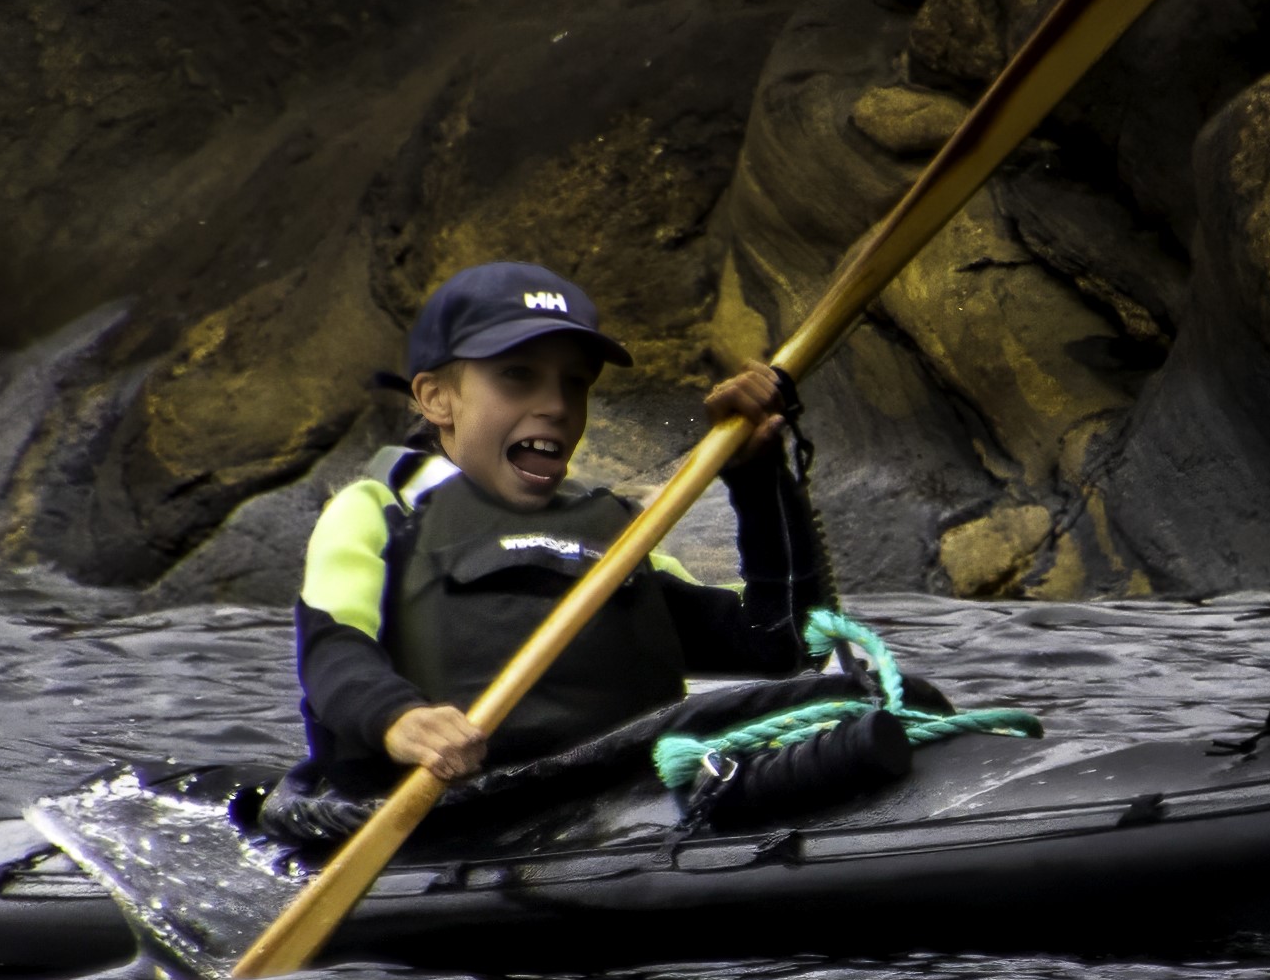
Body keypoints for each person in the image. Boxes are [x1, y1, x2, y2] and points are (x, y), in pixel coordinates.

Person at [275, 260, 846, 833]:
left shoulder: (615, 533)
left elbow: (784, 644)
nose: (556, 404)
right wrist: (397, 719)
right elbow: (333, 649)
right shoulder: (380, 511)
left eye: (574, 381)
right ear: (437, 398)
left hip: (629, 813)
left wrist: (758, 477)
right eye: (518, 375)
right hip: (451, 822)